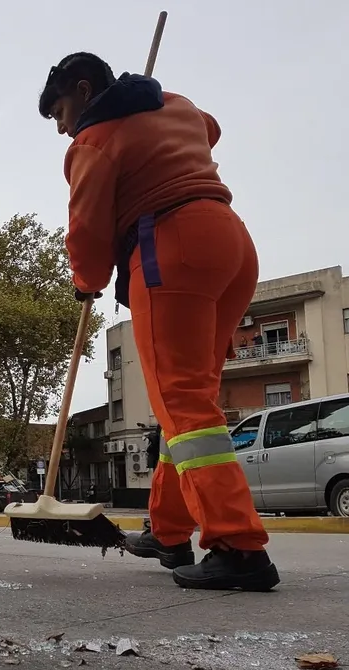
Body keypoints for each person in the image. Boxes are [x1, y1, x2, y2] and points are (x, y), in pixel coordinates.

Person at [39, 52, 278, 591]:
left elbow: (87, 228)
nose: (61, 126)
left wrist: (86, 281)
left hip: (171, 248)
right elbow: (208, 130)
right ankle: (170, 531)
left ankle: (238, 546)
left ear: (83, 89)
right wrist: (152, 103)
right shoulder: (177, 105)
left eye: (60, 111)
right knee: (192, 401)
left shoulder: (93, 143)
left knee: (183, 401)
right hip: (231, 243)